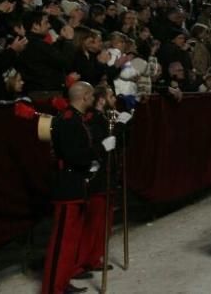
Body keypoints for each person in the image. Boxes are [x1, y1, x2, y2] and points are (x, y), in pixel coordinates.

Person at [41, 81, 98, 294]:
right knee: (62, 241)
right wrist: (98, 152)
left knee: (71, 239)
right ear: (84, 97)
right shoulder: (68, 121)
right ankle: (53, 288)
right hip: (68, 184)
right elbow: (73, 155)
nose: (93, 100)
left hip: (76, 183)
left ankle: (62, 282)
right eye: (91, 96)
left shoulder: (74, 119)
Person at [76, 85, 129, 277]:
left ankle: (94, 257)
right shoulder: (92, 119)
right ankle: (80, 262)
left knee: (104, 221)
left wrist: (124, 125)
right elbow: (105, 141)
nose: (114, 99)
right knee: (93, 221)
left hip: (110, 172)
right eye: (110, 96)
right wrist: (120, 126)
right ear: (101, 99)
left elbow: (117, 141)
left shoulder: (106, 117)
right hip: (97, 176)